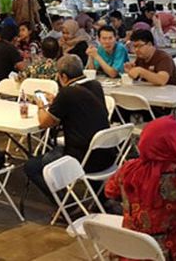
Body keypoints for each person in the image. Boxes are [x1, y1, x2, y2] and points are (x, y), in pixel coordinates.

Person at [105, 117, 176, 260]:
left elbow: (110, 191)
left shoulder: (128, 169)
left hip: (132, 252)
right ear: (173, 144)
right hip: (171, 254)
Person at [25, 54, 113, 198]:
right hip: (106, 154)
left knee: (31, 166)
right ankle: (99, 199)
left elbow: (44, 123)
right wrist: (56, 101)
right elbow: (81, 108)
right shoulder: (95, 85)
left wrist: (41, 106)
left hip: (82, 158)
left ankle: (66, 204)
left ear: (63, 77)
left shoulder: (67, 93)